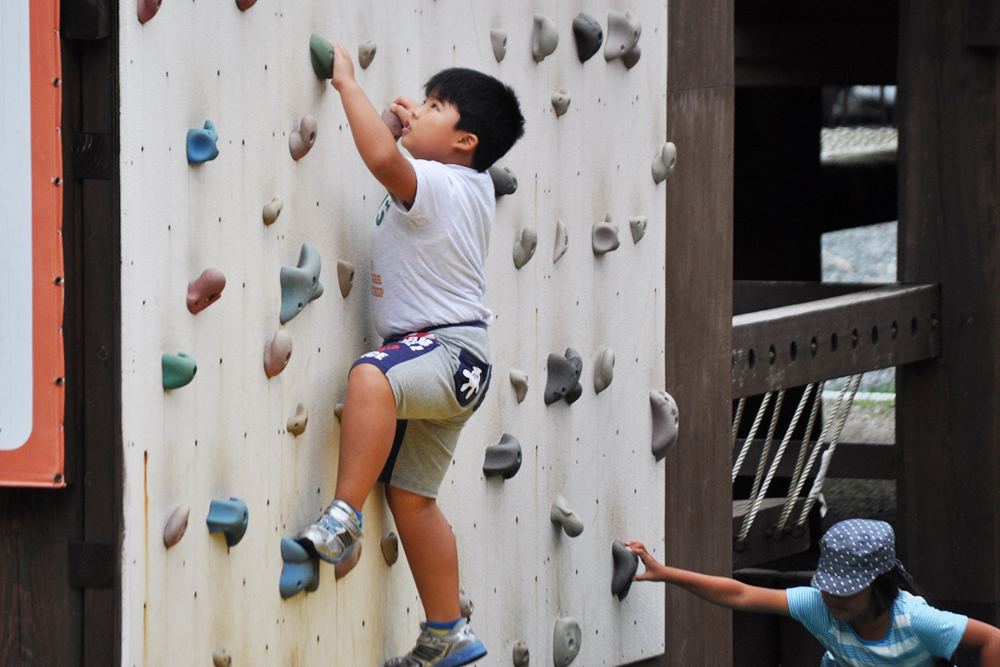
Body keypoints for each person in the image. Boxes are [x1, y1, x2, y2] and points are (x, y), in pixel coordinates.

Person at [294, 40, 524, 667]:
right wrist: (401, 129)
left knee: (371, 376)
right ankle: (447, 631)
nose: (416, 110)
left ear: (465, 141)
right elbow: (393, 156)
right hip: (457, 363)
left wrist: (348, 85)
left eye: (433, 106)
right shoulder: (462, 186)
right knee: (413, 499)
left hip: (443, 353)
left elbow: (378, 156)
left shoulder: (445, 186)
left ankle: (342, 518)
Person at [627, 519, 1000, 666]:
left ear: (879, 585)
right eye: (828, 587)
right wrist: (665, 573)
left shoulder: (915, 621)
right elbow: (740, 594)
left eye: (847, 590)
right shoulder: (818, 606)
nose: (833, 598)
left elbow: (992, 641)